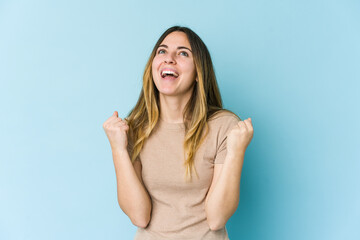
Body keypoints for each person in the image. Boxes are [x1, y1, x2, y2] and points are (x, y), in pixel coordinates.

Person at [103, 26, 254, 240]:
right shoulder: (133, 128)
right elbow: (139, 216)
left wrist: (236, 152)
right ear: (153, 67)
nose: (169, 59)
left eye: (183, 53)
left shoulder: (224, 127)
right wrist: (118, 150)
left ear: (199, 74)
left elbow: (217, 218)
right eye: (162, 51)